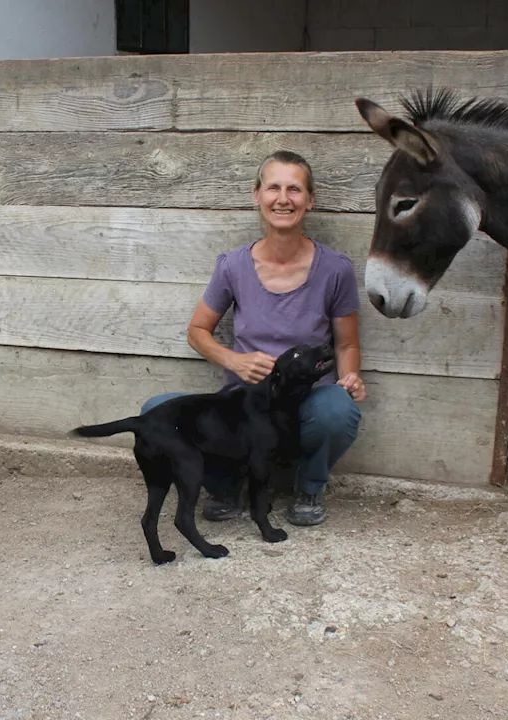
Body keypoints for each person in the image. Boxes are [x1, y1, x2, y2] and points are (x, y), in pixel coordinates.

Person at [140, 150, 365, 527]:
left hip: (307, 402)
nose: (283, 198)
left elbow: (346, 344)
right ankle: (226, 486)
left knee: (338, 410)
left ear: (310, 200)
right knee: (155, 411)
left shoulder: (335, 269)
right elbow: (197, 332)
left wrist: (349, 379)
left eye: (294, 189)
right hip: (246, 405)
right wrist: (233, 360)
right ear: (256, 195)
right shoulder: (233, 265)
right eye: (273, 187)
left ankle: (309, 487)